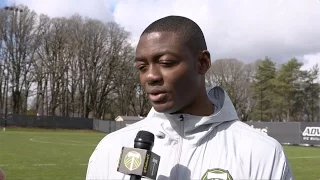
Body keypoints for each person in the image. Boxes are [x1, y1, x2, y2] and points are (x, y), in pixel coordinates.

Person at [86, 15, 293, 180]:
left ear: (202, 63)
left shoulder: (261, 152)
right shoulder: (111, 147)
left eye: (166, 62)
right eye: (142, 67)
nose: (151, 76)